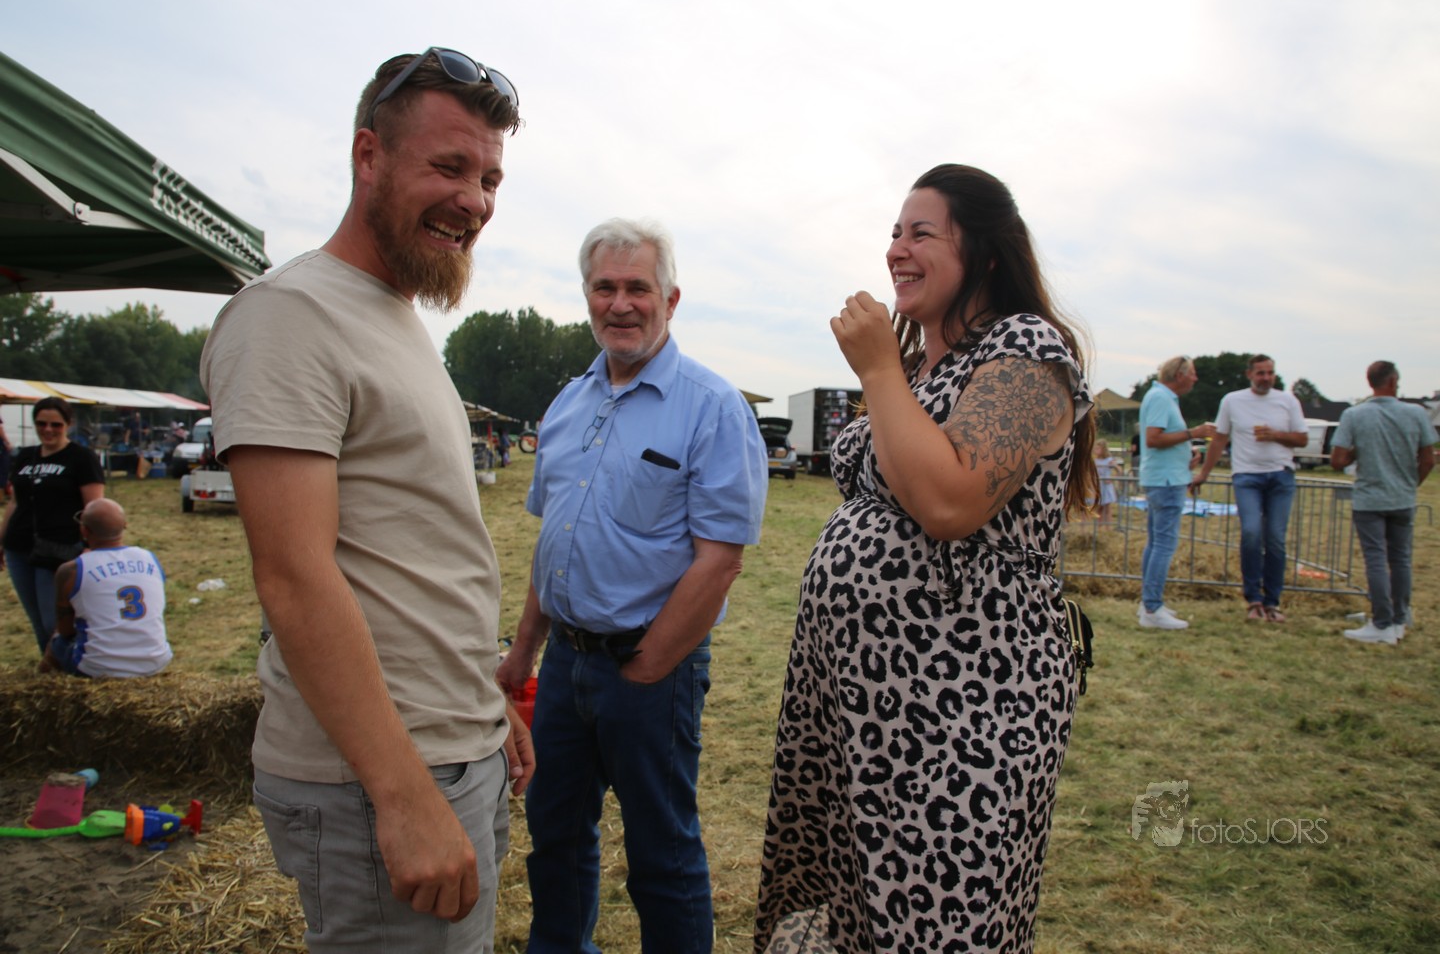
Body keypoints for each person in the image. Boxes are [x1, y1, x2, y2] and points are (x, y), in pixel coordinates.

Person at [200, 47, 531, 953]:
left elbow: (411, 551)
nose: (474, 201)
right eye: (449, 167)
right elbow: (295, 579)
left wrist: (482, 703)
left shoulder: (395, 317)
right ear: (368, 156)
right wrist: (403, 794)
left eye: (490, 179)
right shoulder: (289, 315)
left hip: (447, 748)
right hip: (375, 782)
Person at [755, 164, 1098, 954]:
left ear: (983, 253)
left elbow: (951, 502)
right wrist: (894, 371)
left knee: (941, 919)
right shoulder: (921, 370)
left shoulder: (1028, 351)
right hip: (864, 710)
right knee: (855, 911)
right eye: (893, 233)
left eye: (921, 233)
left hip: (961, 712)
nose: (896, 250)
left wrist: (877, 367)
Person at [496, 218, 768, 953]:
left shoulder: (713, 407)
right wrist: (524, 654)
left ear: (670, 300)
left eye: (637, 288)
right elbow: (554, 545)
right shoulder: (567, 405)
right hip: (564, 667)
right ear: (587, 296)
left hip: (651, 669)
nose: (621, 304)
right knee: (554, 836)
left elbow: (720, 561)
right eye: (604, 288)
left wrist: (646, 668)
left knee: (661, 855)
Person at [1192, 355, 1307, 622]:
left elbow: (1302, 438)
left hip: (1280, 475)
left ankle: (1272, 601)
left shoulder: (1288, 400)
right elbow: (1219, 439)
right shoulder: (1232, 400)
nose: (1266, 378)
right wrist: (1204, 474)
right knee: (1252, 533)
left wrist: (1275, 435)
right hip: (1246, 476)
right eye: (1260, 373)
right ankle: (1253, 597)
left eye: (1270, 373)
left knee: (1276, 538)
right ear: (1249, 375)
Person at [1331, 361, 1436, 644]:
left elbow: (1337, 460)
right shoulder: (1416, 413)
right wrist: (1411, 484)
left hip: (1369, 499)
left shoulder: (1354, 414)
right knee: (1401, 559)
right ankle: (1399, 618)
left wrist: (1357, 451)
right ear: (1393, 381)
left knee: (1375, 559)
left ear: (1370, 382)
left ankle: (1381, 622)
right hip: (1402, 497)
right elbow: (1428, 459)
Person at [1, 397, 105, 653]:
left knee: (54, 621)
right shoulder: (25, 456)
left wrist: (92, 547)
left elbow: (94, 507)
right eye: (41, 423)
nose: (48, 430)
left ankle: (69, 664)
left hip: (60, 549)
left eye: (55, 424)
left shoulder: (81, 457)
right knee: (37, 620)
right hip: (19, 547)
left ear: (68, 424)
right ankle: (50, 667)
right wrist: (1, 539)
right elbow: (15, 502)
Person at [39, 498, 172, 678]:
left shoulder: (71, 570)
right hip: (155, 660)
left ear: (84, 531)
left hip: (97, 666)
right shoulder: (150, 558)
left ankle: (41, 681)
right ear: (125, 525)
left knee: (57, 641)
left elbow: (66, 630)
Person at [1137, 357, 1216, 630]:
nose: (1195, 378)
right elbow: (1154, 438)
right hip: (1167, 482)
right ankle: (1152, 607)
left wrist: (1186, 450)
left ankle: (1149, 603)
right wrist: (1193, 433)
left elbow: (1160, 438)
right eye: (1192, 373)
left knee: (1155, 543)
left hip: (1163, 478)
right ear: (1179, 375)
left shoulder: (1160, 397)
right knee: (1163, 545)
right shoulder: (1161, 398)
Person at [1092, 439, 1121, 525]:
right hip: (1098, 485)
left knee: (1107, 507)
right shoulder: (1095, 461)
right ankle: (1099, 526)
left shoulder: (1109, 460)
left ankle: (1108, 526)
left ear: (1103, 449)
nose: (1096, 450)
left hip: (1106, 485)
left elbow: (1119, 470)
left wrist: (1112, 478)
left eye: (1098, 448)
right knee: (1099, 507)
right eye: (1095, 448)